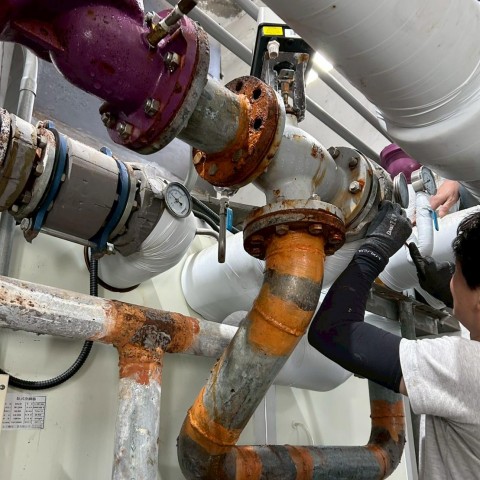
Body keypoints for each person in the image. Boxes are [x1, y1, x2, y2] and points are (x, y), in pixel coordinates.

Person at [308, 201, 480, 479]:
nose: (450, 277)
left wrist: (374, 251)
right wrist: (453, 298)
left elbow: (333, 330)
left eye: (456, 272)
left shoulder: (462, 366)